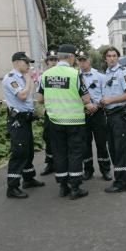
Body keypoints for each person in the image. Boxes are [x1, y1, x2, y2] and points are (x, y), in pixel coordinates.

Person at [37, 44, 96, 200]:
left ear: (58, 57)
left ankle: (63, 186)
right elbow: (86, 99)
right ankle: (75, 187)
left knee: (59, 153)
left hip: (55, 121)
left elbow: (40, 99)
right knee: (75, 153)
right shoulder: (75, 74)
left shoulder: (46, 75)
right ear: (70, 57)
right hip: (74, 122)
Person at [2, 52, 45, 198]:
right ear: (17, 62)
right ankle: (12, 187)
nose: (28, 65)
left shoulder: (21, 77)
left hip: (25, 120)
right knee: (19, 152)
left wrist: (29, 80)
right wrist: (28, 80)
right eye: (26, 62)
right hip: (17, 121)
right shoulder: (11, 78)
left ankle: (28, 178)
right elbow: (22, 95)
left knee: (28, 150)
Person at [100, 46, 126, 193]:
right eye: (109, 56)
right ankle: (125, 177)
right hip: (110, 116)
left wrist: (110, 100)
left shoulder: (123, 72)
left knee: (120, 150)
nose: (112, 58)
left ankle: (121, 183)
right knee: (113, 149)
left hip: (120, 115)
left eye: (114, 56)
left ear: (118, 57)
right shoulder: (106, 74)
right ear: (105, 58)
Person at [77, 50, 112, 181]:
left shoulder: (100, 76)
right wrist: (85, 105)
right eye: (80, 60)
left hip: (98, 113)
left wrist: (96, 106)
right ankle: (88, 170)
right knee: (85, 144)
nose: (82, 62)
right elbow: (74, 96)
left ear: (89, 60)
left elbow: (106, 95)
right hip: (83, 113)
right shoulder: (75, 76)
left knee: (101, 143)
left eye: (84, 60)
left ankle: (105, 170)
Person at [40, 50, 58, 176]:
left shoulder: (66, 74)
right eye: (51, 60)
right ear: (47, 62)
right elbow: (40, 98)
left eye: (55, 59)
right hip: (50, 112)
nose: (53, 62)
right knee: (48, 137)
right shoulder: (43, 76)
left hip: (64, 112)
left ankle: (62, 164)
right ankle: (50, 163)